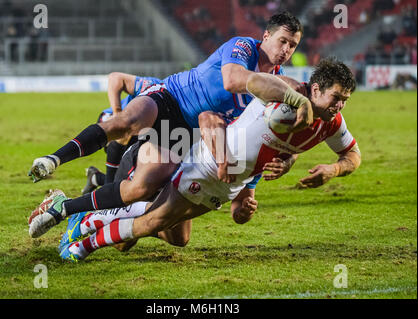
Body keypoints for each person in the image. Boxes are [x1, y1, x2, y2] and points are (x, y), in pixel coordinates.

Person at [29, 58, 361, 263]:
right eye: (335, 97)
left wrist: (332, 169)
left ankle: (91, 222)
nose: (339, 106)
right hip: (198, 159)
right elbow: (252, 84)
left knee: (176, 237)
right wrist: (293, 97)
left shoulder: (331, 123)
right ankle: (82, 232)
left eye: (344, 100)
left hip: (232, 182)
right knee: (150, 215)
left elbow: (352, 155)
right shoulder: (284, 90)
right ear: (314, 88)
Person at [28, 11, 311, 193]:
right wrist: (292, 94)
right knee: (125, 122)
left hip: (187, 134)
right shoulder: (243, 47)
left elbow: (273, 131)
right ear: (266, 36)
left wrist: (288, 161)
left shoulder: (278, 80)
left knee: (141, 190)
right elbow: (232, 80)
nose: (286, 50)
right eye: (282, 41)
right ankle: (53, 159)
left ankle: (96, 192)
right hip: (170, 97)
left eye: (292, 45)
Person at [82, 73, 163, 194]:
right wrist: (117, 112)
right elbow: (115, 78)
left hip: (141, 130)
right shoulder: (156, 85)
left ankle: (97, 179)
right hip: (112, 121)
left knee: (137, 179)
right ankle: (106, 194)